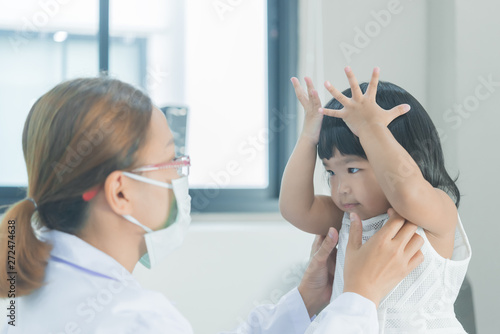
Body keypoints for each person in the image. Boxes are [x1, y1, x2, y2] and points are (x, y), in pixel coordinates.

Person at [0, 77, 423, 333]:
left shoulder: (23, 288)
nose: (181, 174)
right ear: (120, 192)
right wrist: (359, 299)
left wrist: (303, 303)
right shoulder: (132, 318)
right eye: (171, 160)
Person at [280, 67, 472, 333]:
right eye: (331, 172)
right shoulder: (348, 216)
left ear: (406, 156)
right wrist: (307, 138)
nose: (341, 188)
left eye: (353, 169)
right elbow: (295, 209)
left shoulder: (435, 212)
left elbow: (406, 193)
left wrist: (372, 128)